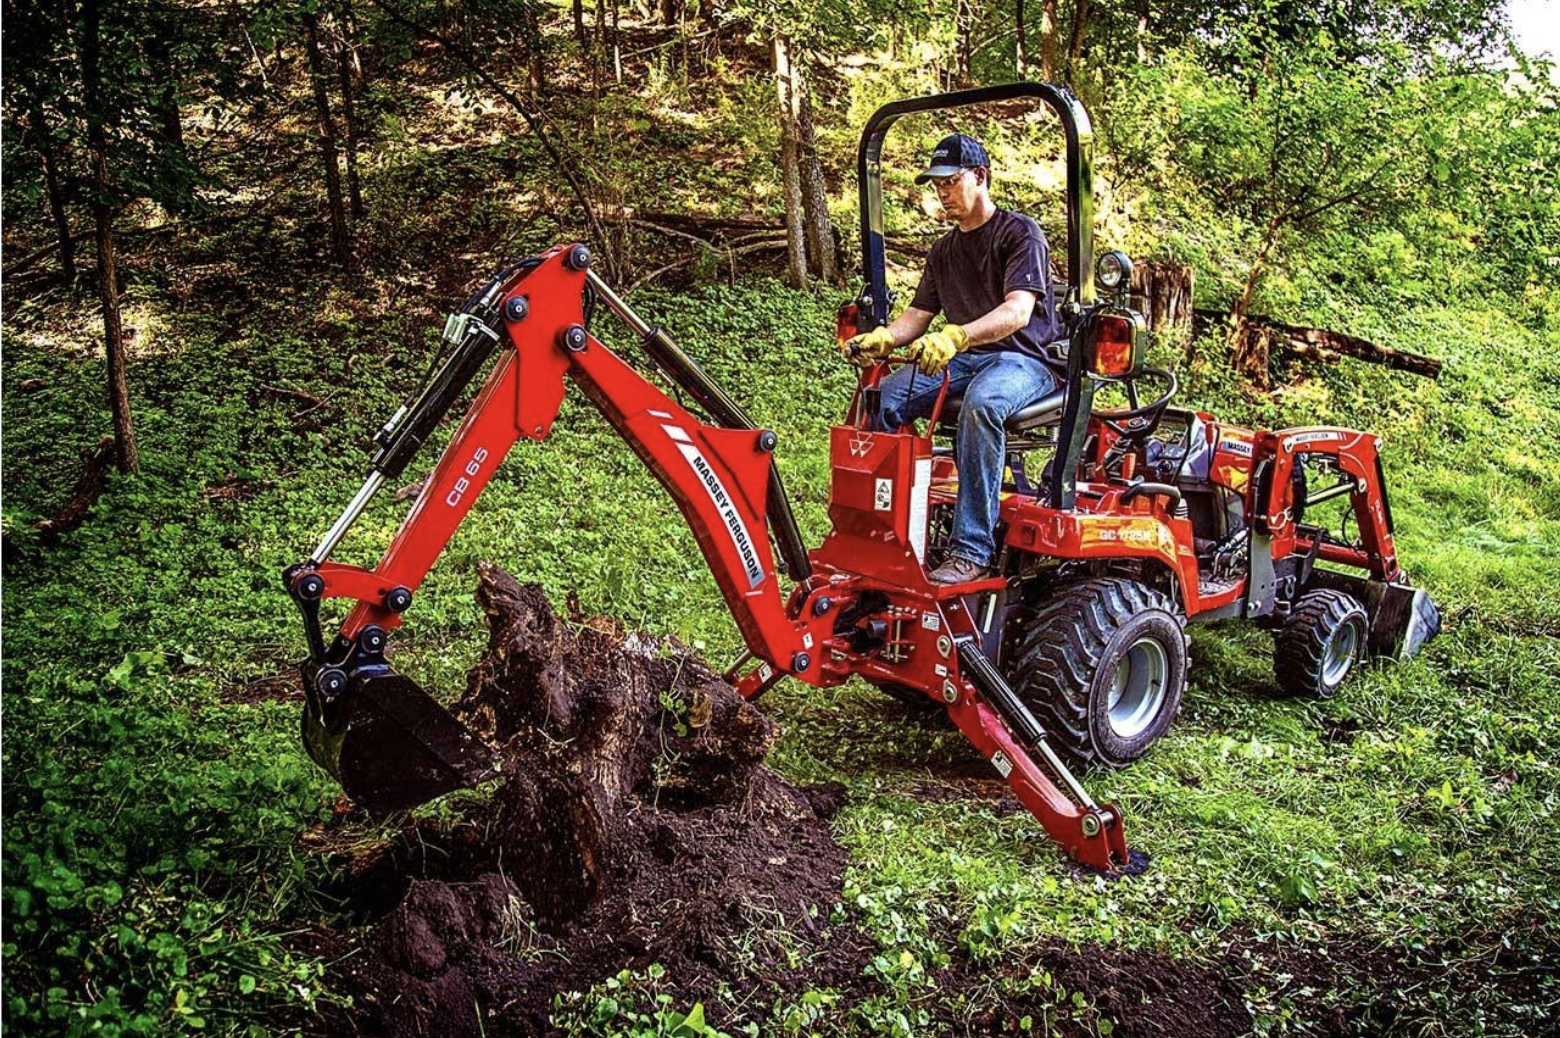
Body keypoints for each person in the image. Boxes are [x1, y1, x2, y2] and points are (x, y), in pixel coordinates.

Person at [843, 133, 1064, 585]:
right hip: (968, 358)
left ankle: (971, 549)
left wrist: (958, 336)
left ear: (980, 177)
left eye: (951, 181)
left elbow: (1018, 311)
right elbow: (917, 316)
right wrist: (884, 339)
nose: (942, 192)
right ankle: (889, 530)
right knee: (881, 398)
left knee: (983, 406)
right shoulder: (944, 250)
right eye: (936, 184)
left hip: (1025, 361)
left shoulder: (1020, 233)